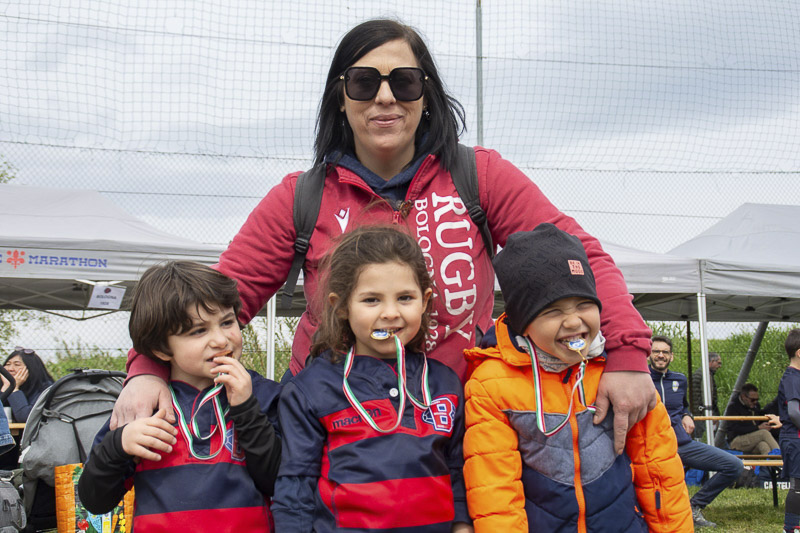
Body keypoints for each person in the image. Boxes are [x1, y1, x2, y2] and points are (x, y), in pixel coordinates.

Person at [113, 18, 657, 455]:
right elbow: (209, 302)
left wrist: (630, 356)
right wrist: (145, 372)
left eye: (405, 81)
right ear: (341, 96)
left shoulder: (480, 178)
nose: (385, 98)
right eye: (363, 82)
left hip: (456, 432)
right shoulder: (300, 197)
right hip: (329, 436)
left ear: (427, 95)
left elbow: (579, 260)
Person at [463, 224, 691, 532]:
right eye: (552, 311)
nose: (573, 321)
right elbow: (494, 492)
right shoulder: (490, 383)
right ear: (522, 323)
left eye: (584, 304)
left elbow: (659, 467)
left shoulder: (621, 371)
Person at [272, 225, 471, 532]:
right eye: (371, 300)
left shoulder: (445, 383)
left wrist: (462, 526)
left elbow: (457, 470)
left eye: (405, 297)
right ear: (341, 308)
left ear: (425, 301)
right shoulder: (311, 389)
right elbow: (296, 485)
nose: (390, 312)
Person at [78, 261, 281, 531]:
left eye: (227, 321)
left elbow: (279, 481)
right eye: (198, 330)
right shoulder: (143, 406)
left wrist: (246, 410)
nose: (221, 340)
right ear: (161, 348)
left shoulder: (265, 395)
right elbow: (95, 501)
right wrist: (118, 446)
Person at [649, 335, 743, 529]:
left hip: (682, 445)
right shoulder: (641, 379)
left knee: (734, 465)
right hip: (651, 448)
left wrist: (687, 415)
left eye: (665, 352)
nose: (660, 355)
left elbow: (684, 406)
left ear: (671, 356)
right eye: (656, 351)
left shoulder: (680, 380)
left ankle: (694, 506)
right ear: (649, 354)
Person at [778, 328, 800, 533]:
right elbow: (794, 412)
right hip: (795, 438)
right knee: (798, 485)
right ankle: (791, 528)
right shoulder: (793, 377)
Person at [1, 347, 55, 422]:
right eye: (7, 364)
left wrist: (14, 388)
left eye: (17, 364)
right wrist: (5, 388)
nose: (10, 369)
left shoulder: (45, 388)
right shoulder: (4, 386)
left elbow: (25, 417)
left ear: (31, 368)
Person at [725, 383, 780, 455]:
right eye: (752, 400)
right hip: (737, 441)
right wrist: (758, 428)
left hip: (752, 439)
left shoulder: (756, 406)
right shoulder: (733, 408)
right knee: (764, 433)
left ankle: (770, 465)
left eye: (757, 400)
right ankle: (780, 457)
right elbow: (735, 429)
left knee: (763, 445)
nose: (755, 402)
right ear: (744, 397)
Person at [691, 351, 721, 438]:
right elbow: (700, 399)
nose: (719, 366)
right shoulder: (704, 376)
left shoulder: (703, 374)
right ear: (711, 361)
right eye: (718, 363)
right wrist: (711, 415)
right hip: (702, 416)